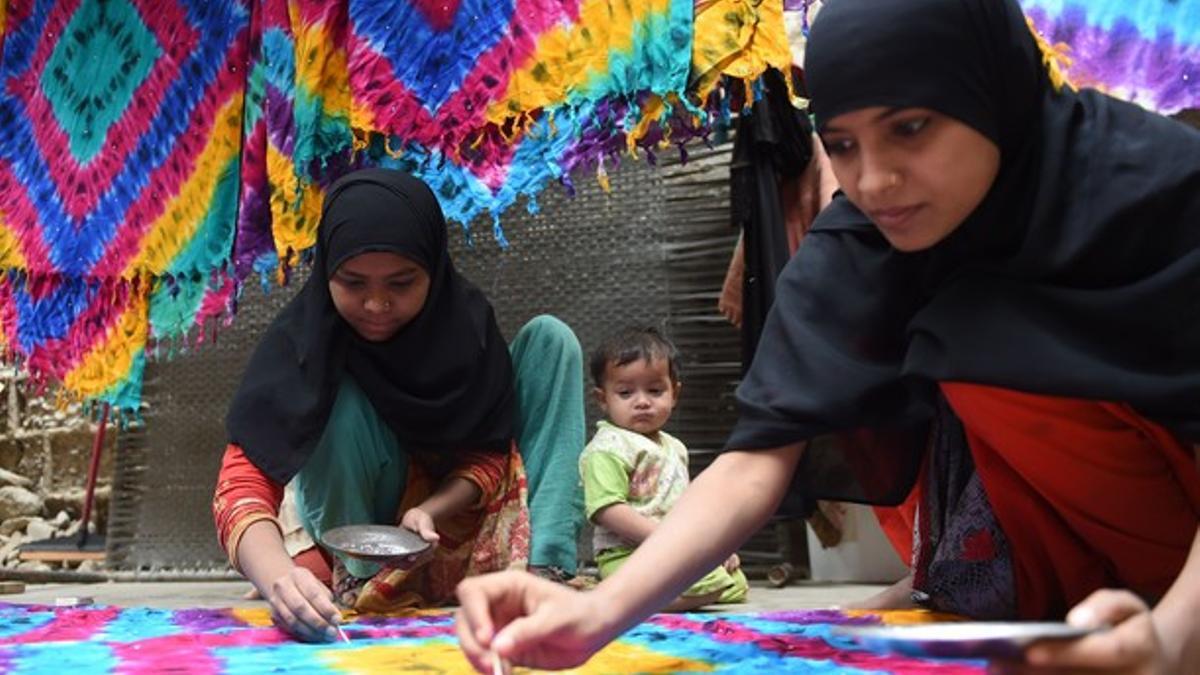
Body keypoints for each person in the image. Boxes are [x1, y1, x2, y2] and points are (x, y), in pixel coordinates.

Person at [454, 0, 1200, 672]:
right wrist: (595, 616)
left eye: (910, 128)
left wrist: (1171, 639)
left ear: (988, 88)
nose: (873, 181)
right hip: (1070, 572)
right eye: (840, 144)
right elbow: (755, 460)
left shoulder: (1159, 194)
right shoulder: (868, 239)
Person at [213, 168, 586, 642]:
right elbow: (241, 484)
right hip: (366, 542)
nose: (375, 305)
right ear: (327, 271)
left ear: (433, 268)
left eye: (401, 283)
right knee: (338, 392)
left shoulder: (466, 332)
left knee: (551, 340)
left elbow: (489, 455)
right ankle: (360, 578)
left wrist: (431, 508)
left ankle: (543, 571)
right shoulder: (304, 348)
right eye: (353, 283)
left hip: (470, 537)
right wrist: (278, 577)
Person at [581, 327, 748, 611]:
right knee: (708, 586)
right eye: (625, 392)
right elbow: (606, 509)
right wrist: (668, 541)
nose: (643, 401)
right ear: (602, 399)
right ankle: (622, 599)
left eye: (655, 390)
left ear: (674, 393)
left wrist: (715, 546)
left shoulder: (675, 448)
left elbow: (689, 506)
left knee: (735, 583)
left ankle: (630, 596)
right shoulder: (607, 447)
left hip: (674, 548)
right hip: (627, 553)